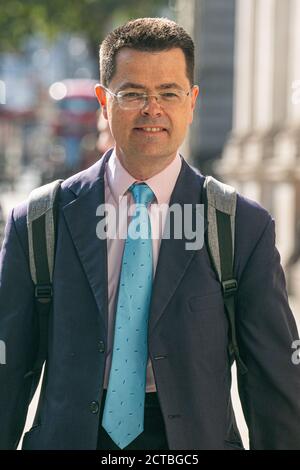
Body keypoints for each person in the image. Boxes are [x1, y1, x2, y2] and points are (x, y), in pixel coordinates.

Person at [0, 17, 300, 451]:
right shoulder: (39, 221)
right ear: (104, 101)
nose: (152, 109)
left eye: (169, 93)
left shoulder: (240, 226)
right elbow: (8, 373)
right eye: (133, 93)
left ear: (192, 101)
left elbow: (275, 380)